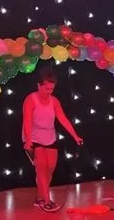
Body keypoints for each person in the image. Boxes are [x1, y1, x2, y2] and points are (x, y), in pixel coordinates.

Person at [22, 67, 82, 212]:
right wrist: (28, 140)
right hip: (34, 136)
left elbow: (63, 119)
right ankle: (47, 201)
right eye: (46, 89)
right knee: (41, 168)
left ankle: (40, 197)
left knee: (50, 169)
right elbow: (27, 121)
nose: (49, 92)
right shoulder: (31, 99)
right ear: (39, 85)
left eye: (51, 89)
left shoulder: (54, 101)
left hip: (49, 136)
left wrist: (75, 136)